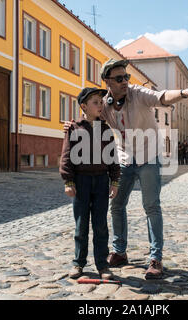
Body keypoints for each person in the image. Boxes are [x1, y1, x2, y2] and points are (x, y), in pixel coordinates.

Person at [64, 58, 188, 279]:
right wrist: (72, 125)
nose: (125, 82)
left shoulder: (138, 93)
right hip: (124, 158)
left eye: (126, 77)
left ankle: (155, 258)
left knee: (151, 206)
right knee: (117, 205)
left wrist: (186, 92)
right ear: (107, 82)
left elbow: (162, 97)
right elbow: (89, 115)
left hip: (148, 156)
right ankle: (119, 252)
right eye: (119, 78)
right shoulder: (105, 104)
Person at [60, 87, 120, 280]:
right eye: (96, 102)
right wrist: (68, 180)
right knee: (81, 225)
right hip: (81, 181)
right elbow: (67, 156)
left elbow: (112, 157)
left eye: (101, 102)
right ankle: (78, 263)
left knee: (101, 224)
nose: (101, 105)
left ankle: (103, 265)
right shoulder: (74, 128)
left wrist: (115, 181)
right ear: (84, 106)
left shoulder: (105, 129)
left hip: (101, 181)